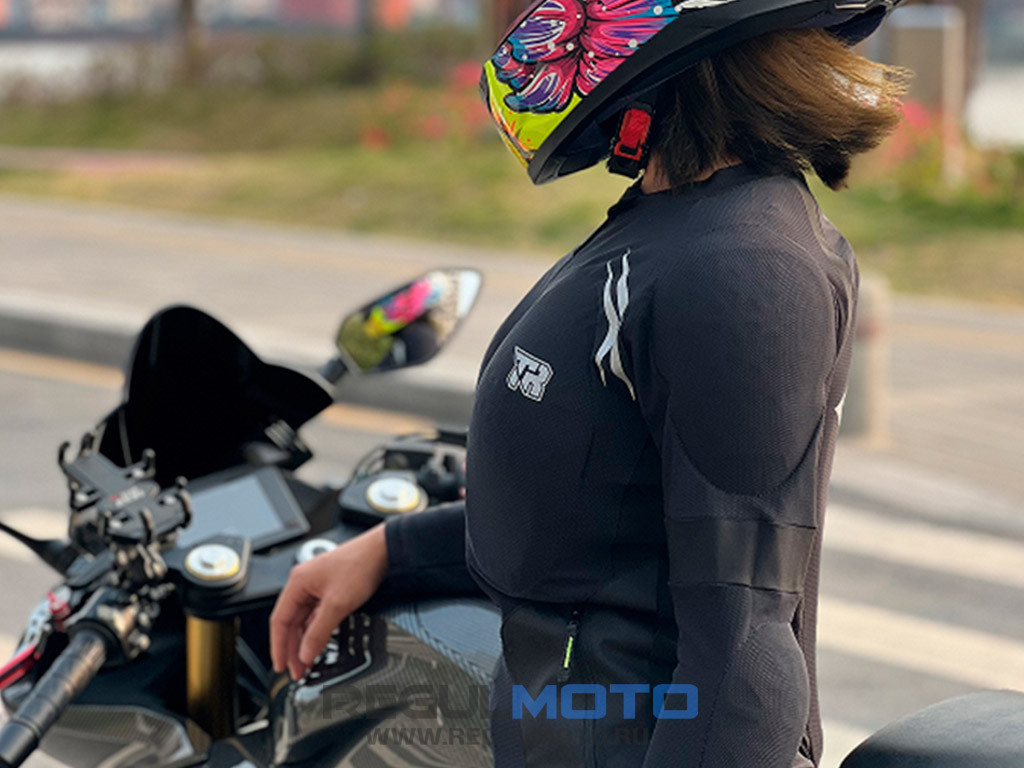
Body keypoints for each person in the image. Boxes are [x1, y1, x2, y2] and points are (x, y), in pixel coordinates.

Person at [270, 1, 908, 766]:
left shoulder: (743, 267)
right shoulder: (678, 215)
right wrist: (390, 549)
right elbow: (596, 516)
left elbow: (742, 649)